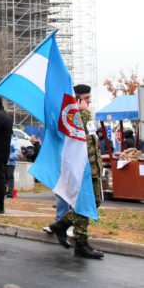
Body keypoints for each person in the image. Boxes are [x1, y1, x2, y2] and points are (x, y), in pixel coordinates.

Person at [48, 84, 105, 259]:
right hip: (83, 168)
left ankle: (63, 224)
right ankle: (80, 243)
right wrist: (83, 111)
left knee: (94, 201)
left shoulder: (83, 115)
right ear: (78, 99)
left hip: (92, 167)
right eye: (87, 99)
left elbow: (92, 142)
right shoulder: (78, 115)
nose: (90, 101)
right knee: (87, 203)